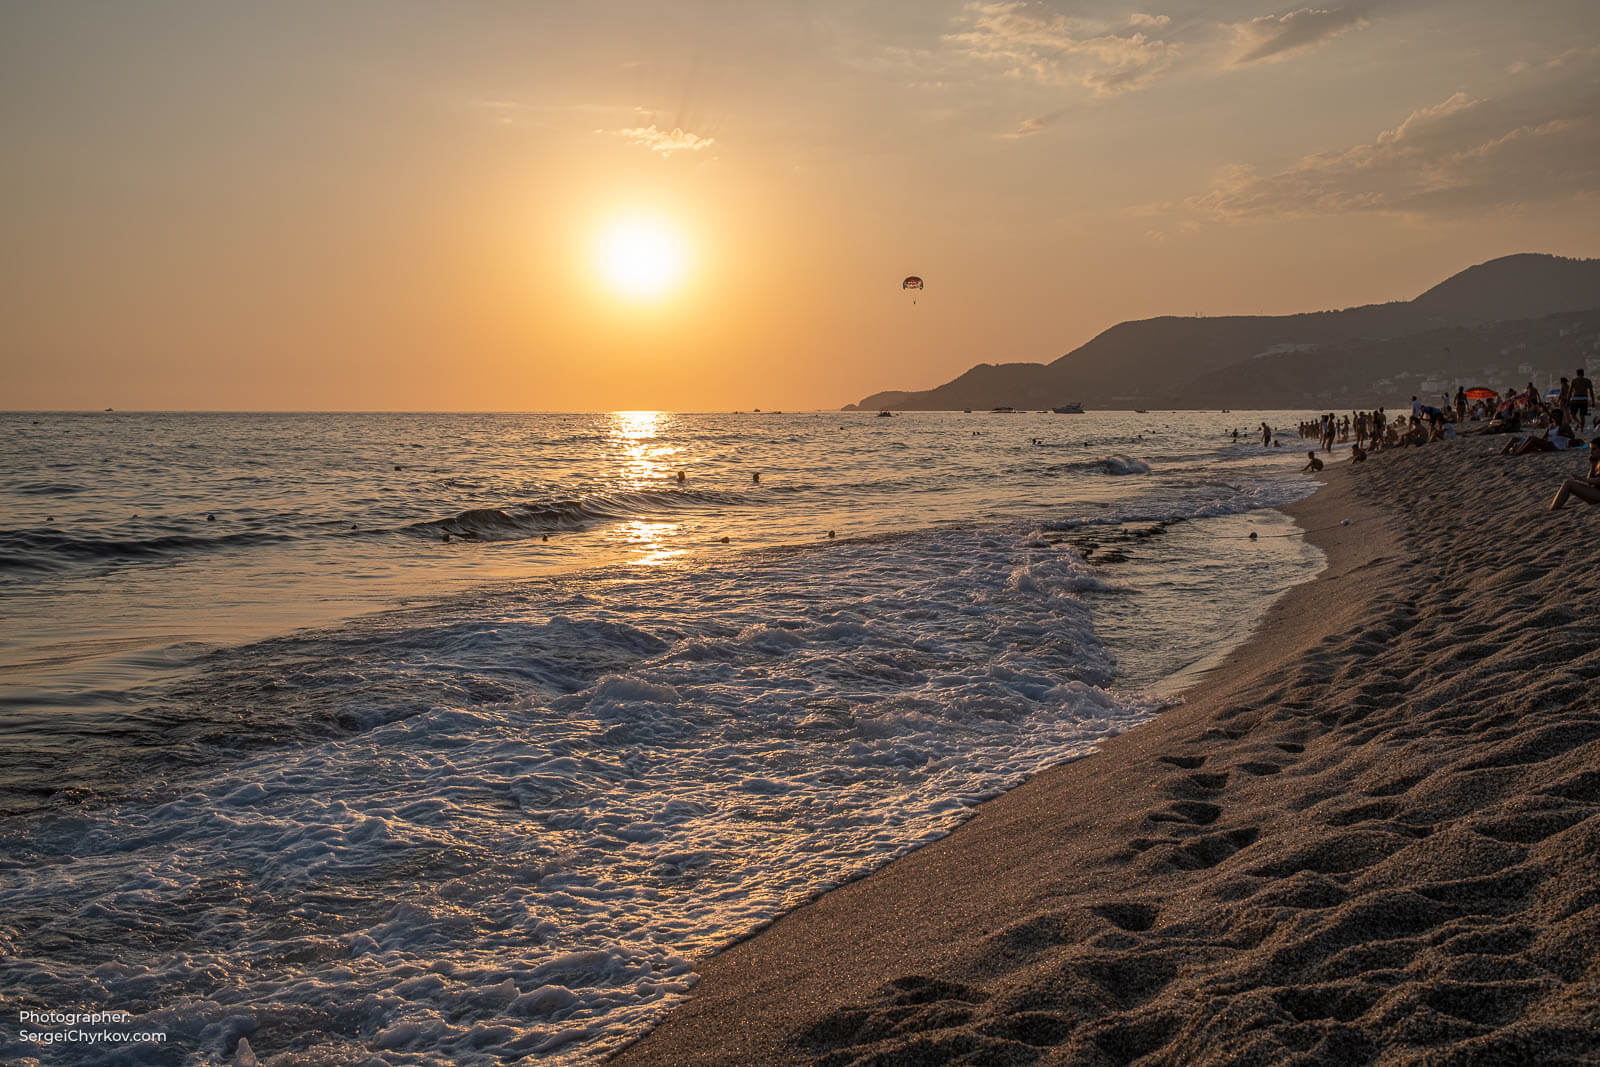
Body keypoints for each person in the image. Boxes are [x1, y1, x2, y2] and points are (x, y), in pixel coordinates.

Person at [1550, 440, 1600, 509]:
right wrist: (1592, 466)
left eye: (1594, 449)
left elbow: (1598, 480)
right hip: (1595, 492)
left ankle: (1554, 508)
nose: (1591, 452)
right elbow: (1590, 483)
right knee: (1568, 483)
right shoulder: (1597, 461)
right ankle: (1555, 507)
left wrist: (1581, 479)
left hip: (1598, 494)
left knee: (1568, 483)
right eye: (1591, 449)